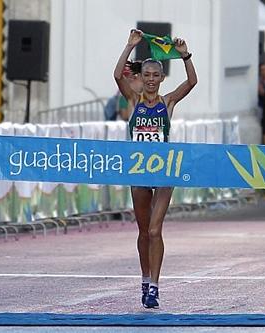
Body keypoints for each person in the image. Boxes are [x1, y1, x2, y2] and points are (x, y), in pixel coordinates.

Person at [114, 29, 197, 309]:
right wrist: (129, 46)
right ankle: (144, 276)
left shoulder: (167, 102)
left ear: (161, 79)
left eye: (155, 75)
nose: (150, 80)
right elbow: (117, 76)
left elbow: (192, 82)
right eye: (146, 75)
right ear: (142, 78)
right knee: (141, 232)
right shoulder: (134, 102)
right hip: (138, 173)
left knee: (154, 231)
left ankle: (155, 287)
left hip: (163, 173)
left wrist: (185, 54)